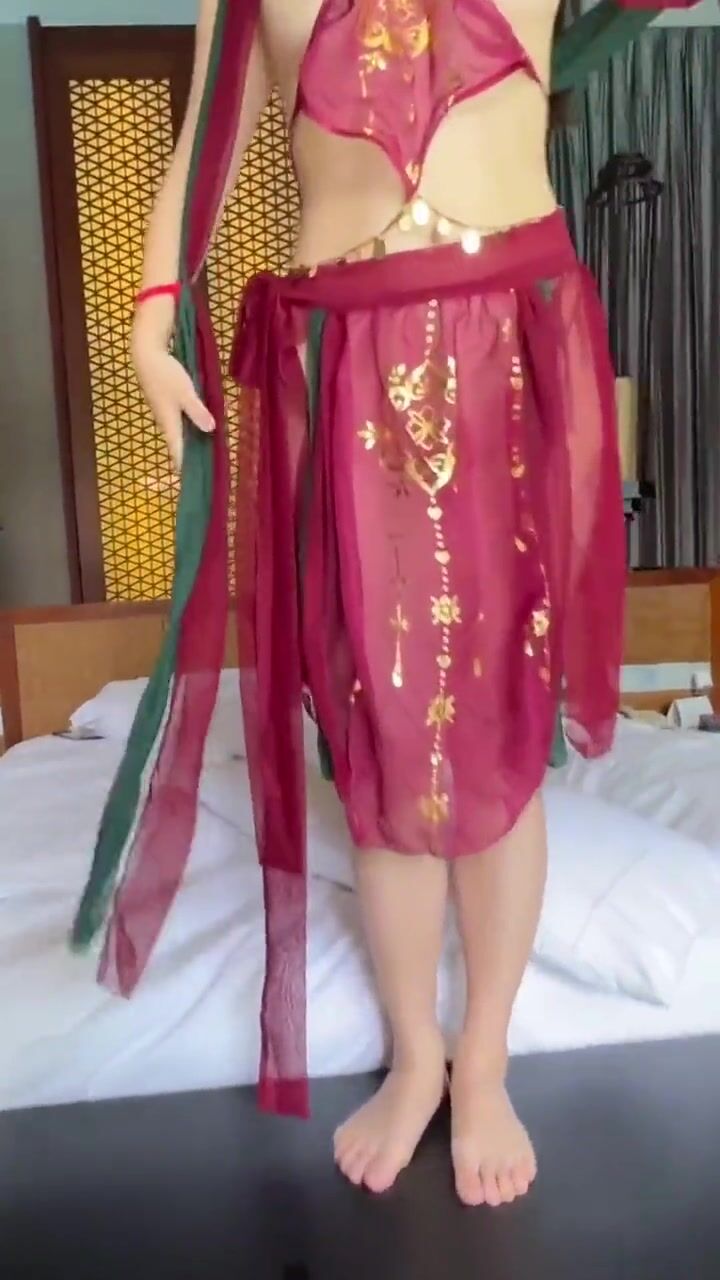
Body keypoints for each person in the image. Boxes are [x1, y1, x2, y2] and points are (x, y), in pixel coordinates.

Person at [72, 0, 699, 1208]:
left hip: (513, 334)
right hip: (343, 356)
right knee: (380, 713)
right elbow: (204, 140)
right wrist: (152, 318)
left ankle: (486, 1058)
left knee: (502, 709)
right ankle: (419, 1052)